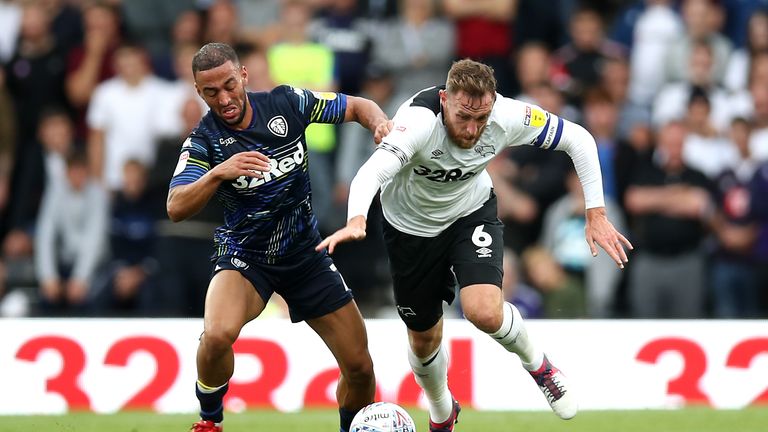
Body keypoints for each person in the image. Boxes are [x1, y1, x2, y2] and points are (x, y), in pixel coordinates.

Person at [318, 59, 633, 430]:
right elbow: (371, 172)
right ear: (444, 99)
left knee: (484, 311)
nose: (471, 130)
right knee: (423, 340)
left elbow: (578, 139)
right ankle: (442, 412)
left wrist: (595, 212)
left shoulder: (508, 115)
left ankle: (541, 368)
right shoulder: (416, 124)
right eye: (463, 116)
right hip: (409, 230)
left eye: (481, 119)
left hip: (470, 213)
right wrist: (357, 218)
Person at [167, 43, 391, 432]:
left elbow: (357, 105)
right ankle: (210, 420)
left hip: (306, 256)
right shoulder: (203, 141)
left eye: (229, 85)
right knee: (217, 335)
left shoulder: (286, 103)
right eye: (211, 92)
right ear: (198, 92)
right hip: (246, 257)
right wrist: (219, 173)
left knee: (359, 366)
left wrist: (379, 124)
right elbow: (175, 206)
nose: (224, 98)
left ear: (244, 76)